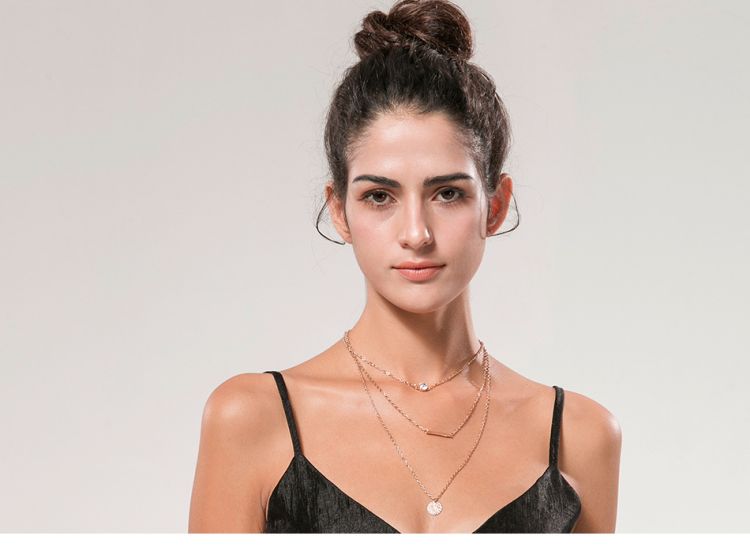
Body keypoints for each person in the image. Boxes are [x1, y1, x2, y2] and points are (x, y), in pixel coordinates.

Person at [188, 0, 621, 534]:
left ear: (496, 205)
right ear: (339, 211)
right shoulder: (253, 419)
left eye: (447, 193)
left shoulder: (580, 436)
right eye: (379, 196)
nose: (416, 233)